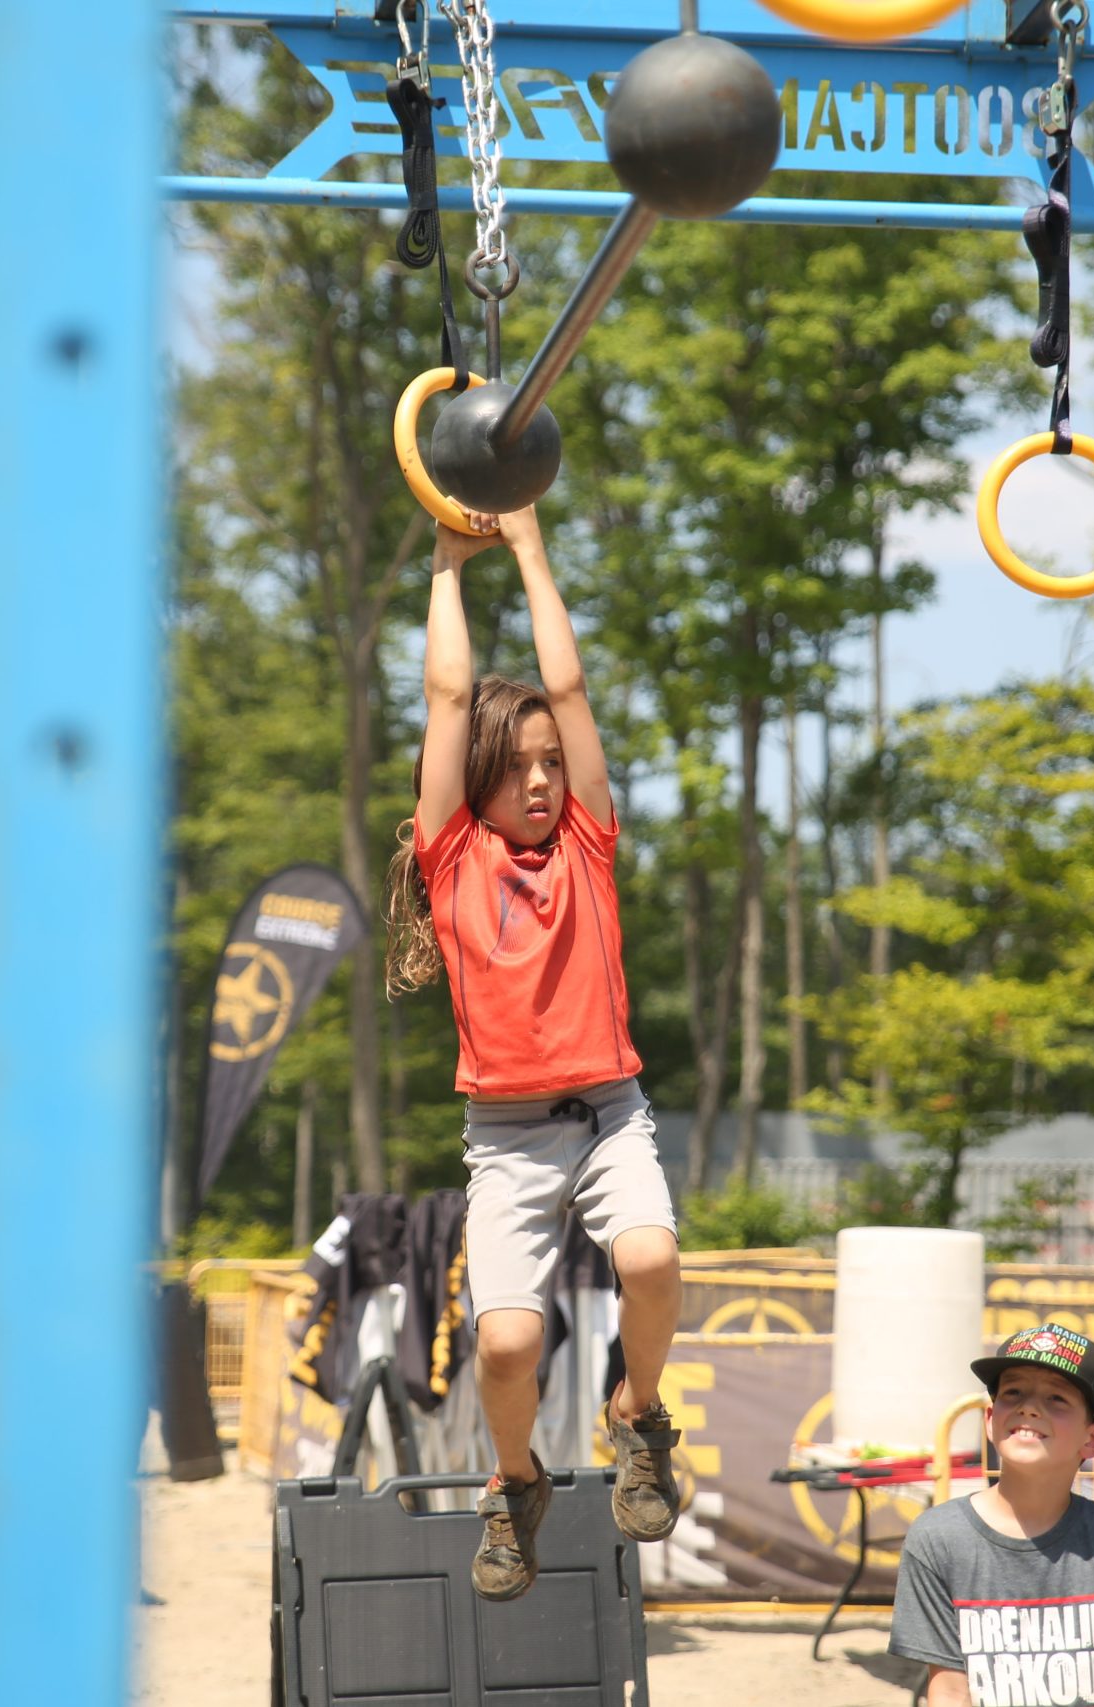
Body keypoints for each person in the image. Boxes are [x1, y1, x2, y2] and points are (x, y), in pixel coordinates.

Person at [383, 503, 683, 1601]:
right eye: (521, 769)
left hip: (608, 1112)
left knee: (649, 1257)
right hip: (506, 1138)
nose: (546, 781)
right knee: (506, 1343)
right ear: (478, 783)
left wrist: (530, 548)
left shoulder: (589, 848)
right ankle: (515, 1484)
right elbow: (446, 695)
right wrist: (447, 565)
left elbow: (570, 687)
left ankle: (638, 1416)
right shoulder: (453, 855)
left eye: (554, 764)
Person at [889, 1324, 1094, 1706]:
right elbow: (949, 1693)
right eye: (1013, 1392)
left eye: (1056, 1398)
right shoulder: (937, 1538)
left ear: (1093, 1439)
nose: (1029, 1408)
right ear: (990, 1419)